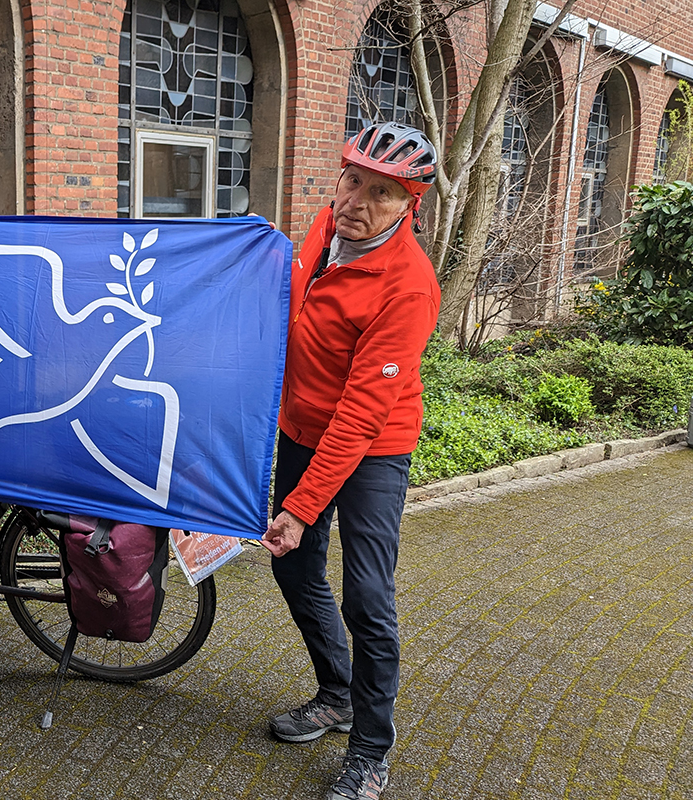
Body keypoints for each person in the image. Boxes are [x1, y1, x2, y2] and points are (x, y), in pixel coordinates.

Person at [262, 121, 440, 800]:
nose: (356, 200)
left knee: (368, 595)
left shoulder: (409, 286)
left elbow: (363, 413)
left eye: (382, 192)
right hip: (301, 428)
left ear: (408, 206)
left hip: (374, 448)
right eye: (352, 179)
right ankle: (336, 692)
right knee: (293, 567)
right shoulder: (321, 229)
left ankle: (370, 751)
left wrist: (303, 507)